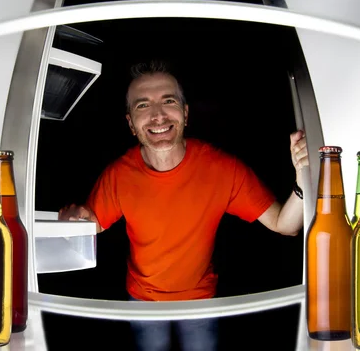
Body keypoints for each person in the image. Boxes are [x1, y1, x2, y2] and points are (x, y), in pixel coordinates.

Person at [59, 60, 308, 351]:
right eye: (142, 106)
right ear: (130, 124)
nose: (158, 115)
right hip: (143, 300)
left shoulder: (221, 168)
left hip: (200, 300)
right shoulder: (118, 175)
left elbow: (286, 225)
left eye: (168, 101)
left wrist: (303, 176)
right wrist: (72, 223)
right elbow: (90, 225)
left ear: (185, 113)